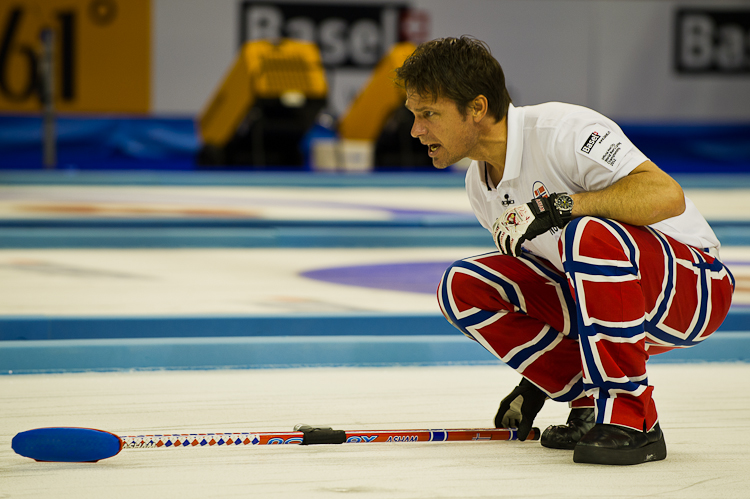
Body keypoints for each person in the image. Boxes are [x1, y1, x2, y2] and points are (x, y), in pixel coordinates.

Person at [395, 36, 735, 465]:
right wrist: (535, 381)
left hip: (695, 287)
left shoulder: (564, 131)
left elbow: (667, 195)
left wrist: (561, 206)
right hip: (609, 303)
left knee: (585, 234)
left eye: (429, 114)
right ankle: (589, 403)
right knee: (464, 286)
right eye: (414, 115)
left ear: (477, 108)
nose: (416, 130)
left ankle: (635, 418)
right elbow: (548, 284)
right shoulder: (478, 185)